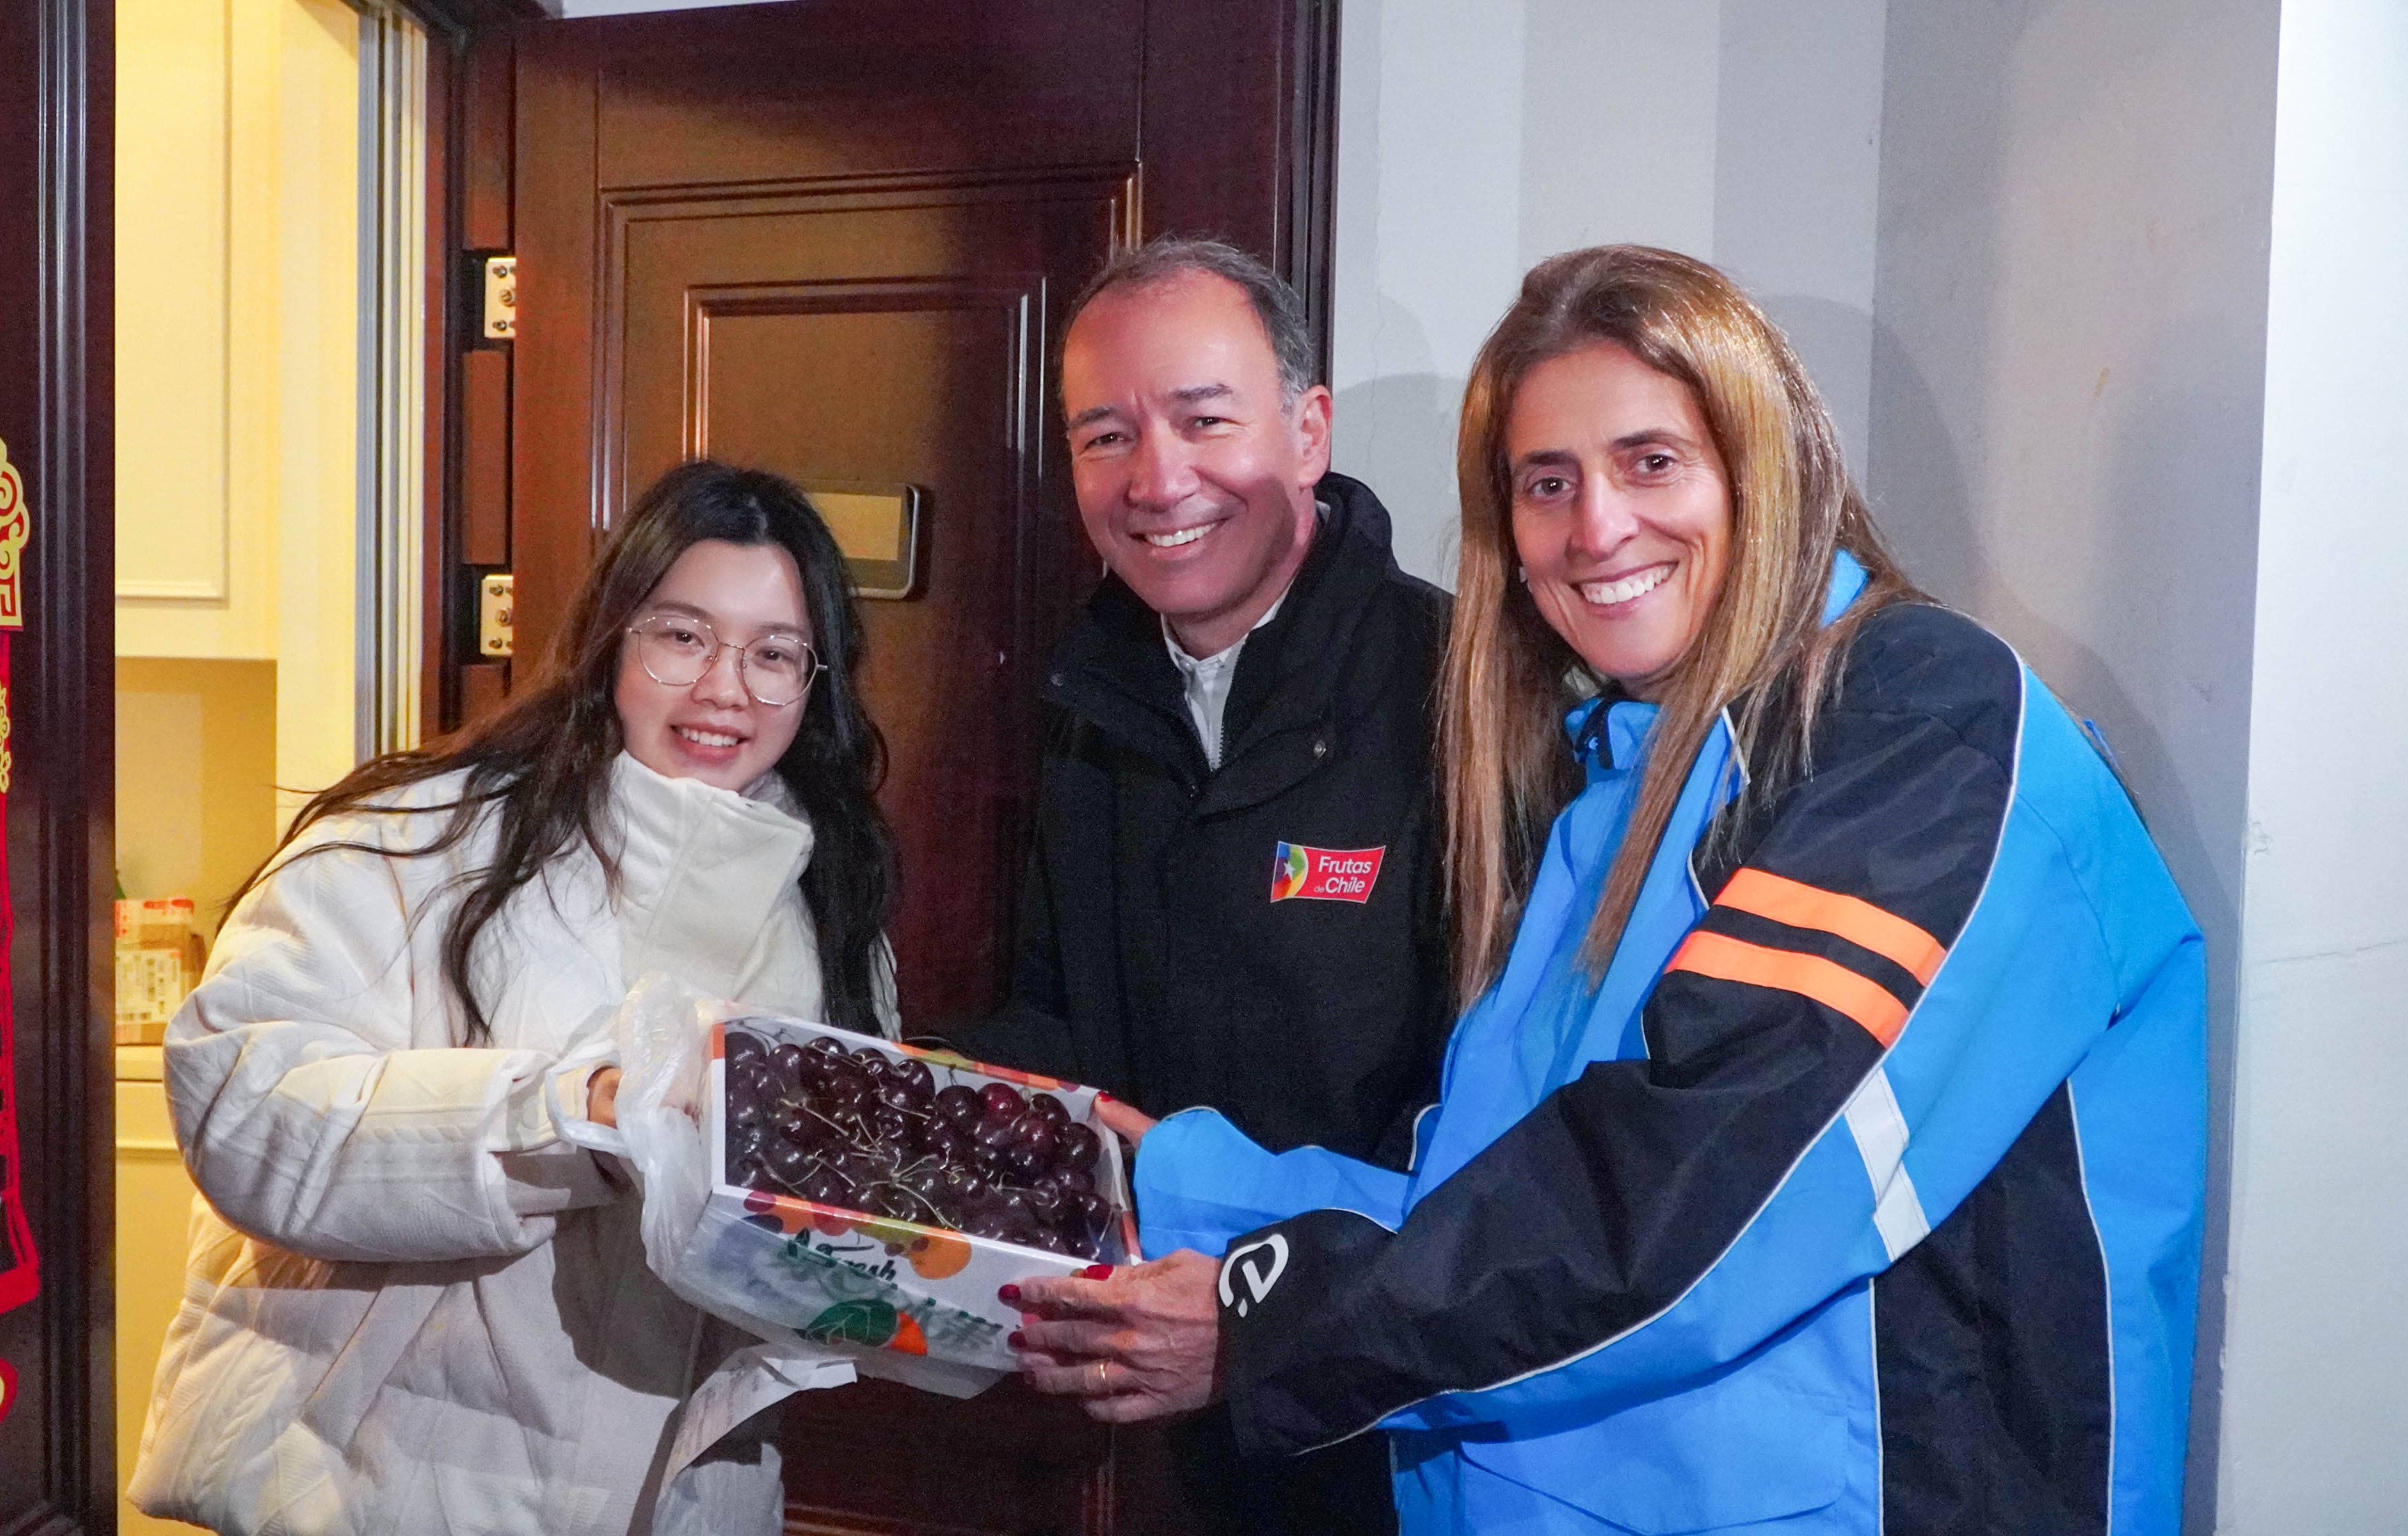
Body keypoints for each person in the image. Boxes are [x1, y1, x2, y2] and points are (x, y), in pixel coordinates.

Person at [1012, 246, 2209, 1536]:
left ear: (1763, 462)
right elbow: (1487, 1189)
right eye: (1548, 483)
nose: (1596, 529)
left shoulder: (1921, 723)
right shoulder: (1616, 776)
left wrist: (1272, 1323)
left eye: (1651, 461)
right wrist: (1169, 1179)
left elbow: (1695, 1197)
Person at [129, 463, 899, 1536]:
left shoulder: (831, 921)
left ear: (815, 685)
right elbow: (243, 1106)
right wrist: (576, 1112)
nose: (726, 688)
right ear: (611, 638)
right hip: (382, 1491)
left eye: (773, 655)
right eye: (684, 636)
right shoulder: (421, 841)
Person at [943, 237, 1446, 1533]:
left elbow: (1512, 1147)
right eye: (1105, 436)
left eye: (1203, 420)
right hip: (1182, 1416)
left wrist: (1266, 1317)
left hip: (1424, 1423)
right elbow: (1062, 1020)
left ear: (1308, 431)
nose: (1156, 480)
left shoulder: (1463, 691)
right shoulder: (1089, 700)